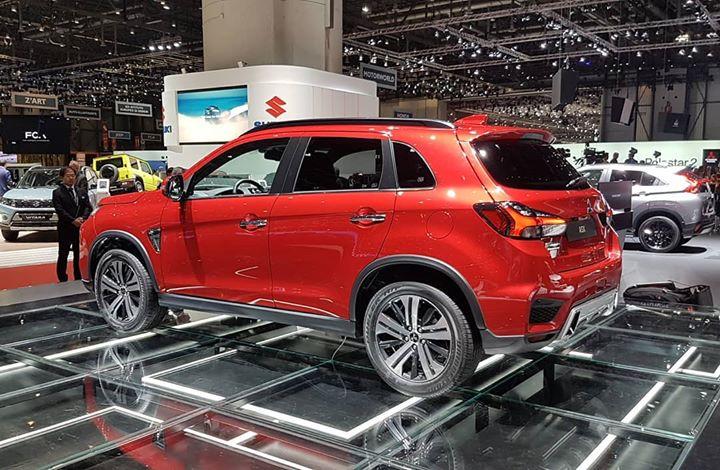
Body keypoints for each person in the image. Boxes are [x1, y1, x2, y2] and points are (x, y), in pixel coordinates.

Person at [52, 167, 92, 282]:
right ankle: (62, 278)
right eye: (68, 176)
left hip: (79, 227)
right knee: (63, 254)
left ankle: (78, 277)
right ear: (62, 177)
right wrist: (72, 220)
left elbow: (88, 207)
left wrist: (83, 218)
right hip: (65, 227)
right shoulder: (57, 193)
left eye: (73, 175)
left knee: (78, 254)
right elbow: (60, 210)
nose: (71, 178)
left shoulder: (81, 191)